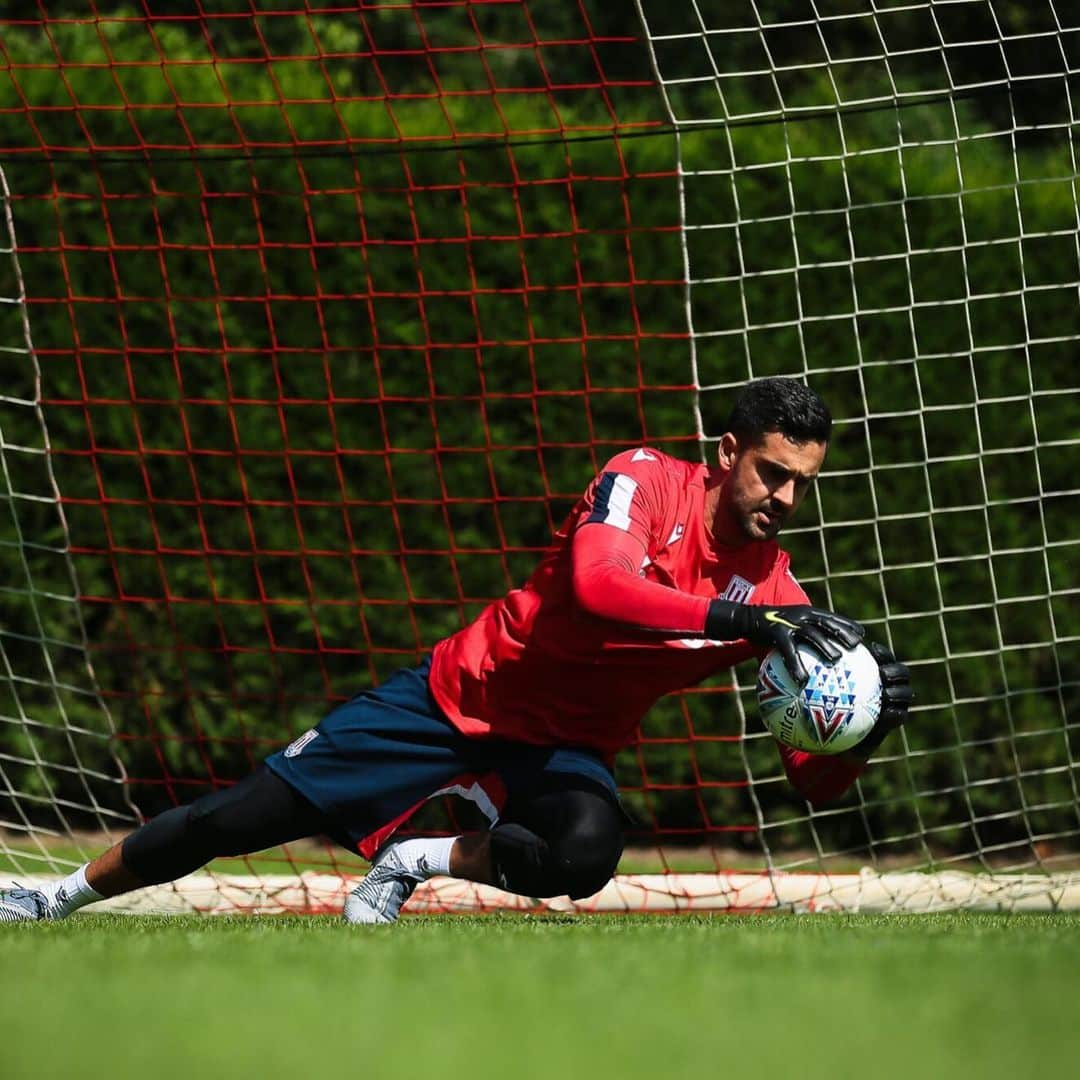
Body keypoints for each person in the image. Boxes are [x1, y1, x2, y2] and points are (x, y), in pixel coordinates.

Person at [0, 377, 912, 925]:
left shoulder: (779, 597)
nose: (787, 499)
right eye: (774, 474)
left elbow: (811, 781)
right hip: (459, 696)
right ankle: (55, 896)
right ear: (727, 453)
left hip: (561, 750)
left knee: (588, 853)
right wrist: (738, 622)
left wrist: (864, 727)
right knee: (233, 821)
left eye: (803, 484)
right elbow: (599, 586)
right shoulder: (642, 480)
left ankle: (416, 859)